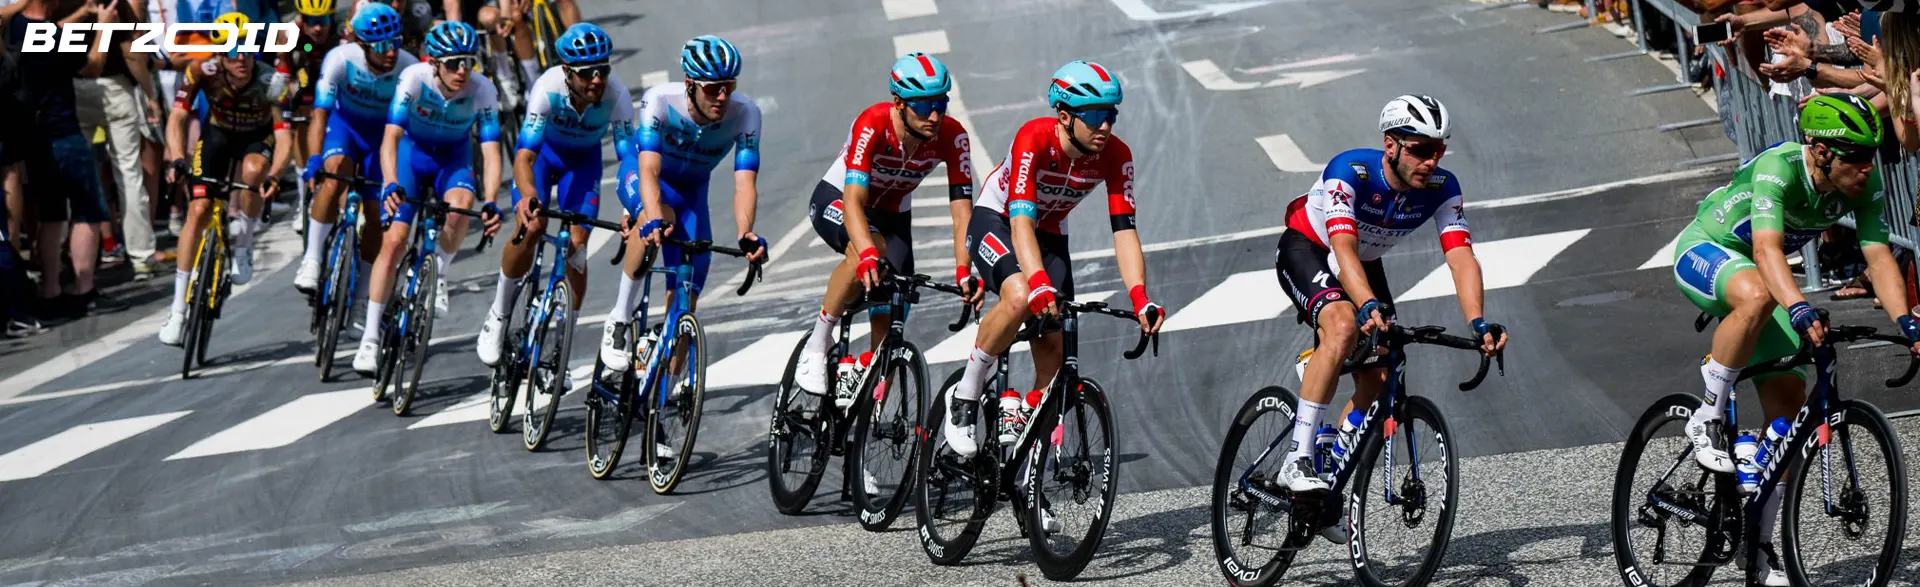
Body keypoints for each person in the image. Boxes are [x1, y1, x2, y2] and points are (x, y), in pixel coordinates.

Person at [1674, 94, 1920, 587]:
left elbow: (1877, 256)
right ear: (1821, 151)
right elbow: (1765, 250)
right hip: (1708, 250)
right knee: (1760, 294)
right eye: (1855, 155)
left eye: (1872, 154)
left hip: (1763, 280)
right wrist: (1800, 306)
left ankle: (1758, 550)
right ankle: (1707, 416)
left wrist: (1909, 323)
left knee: (1787, 421)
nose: (1867, 167)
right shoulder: (1778, 168)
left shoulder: (1861, 186)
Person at [1270, 95, 1509, 542]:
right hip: (1310, 249)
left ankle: (1330, 466)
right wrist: (1364, 307)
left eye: (1438, 149)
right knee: (1343, 326)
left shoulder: (1442, 186)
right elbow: (1342, 251)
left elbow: (1460, 256)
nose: (1431, 160)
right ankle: (1298, 457)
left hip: (1363, 259)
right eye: (1420, 149)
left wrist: (1479, 322)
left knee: (1382, 373)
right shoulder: (1351, 172)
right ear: (1391, 145)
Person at [940, 60, 1166, 466]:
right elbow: (1021, 222)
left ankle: (1025, 474)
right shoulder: (1034, 139)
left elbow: (1125, 231)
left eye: (1111, 115)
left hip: (1049, 233)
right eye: (1096, 116)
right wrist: (1039, 280)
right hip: (999, 220)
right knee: (1021, 295)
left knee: (1055, 350)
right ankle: (966, 394)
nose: (1106, 127)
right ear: (1064, 116)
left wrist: (1140, 297)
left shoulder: (1117, 156)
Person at [789, 52, 982, 407]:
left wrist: (963, 270)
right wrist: (864, 255)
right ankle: (818, 343)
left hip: (894, 215)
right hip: (841, 199)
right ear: (899, 103)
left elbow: (961, 215)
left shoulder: (953, 137)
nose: (935, 116)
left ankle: (865, 396)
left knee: (895, 308)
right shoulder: (873, 123)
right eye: (924, 106)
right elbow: (853, 202)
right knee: (868, 252)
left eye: (941, 103)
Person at [596, 35, 768, 376]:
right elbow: (648, 170)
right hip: (646, 178)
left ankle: (664, 401)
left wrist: (745, 232)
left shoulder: (746, 113)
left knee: (686, 302)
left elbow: (744, 182)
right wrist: (652, 216)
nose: (722, 96)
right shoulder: (660, 100)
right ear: (690, 84)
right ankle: (618, 318)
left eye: (729, 85)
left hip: (692, 193)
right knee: (657, 219)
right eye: (712, 87)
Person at [474, 23, 632, 377]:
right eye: (586, 72)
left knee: (577, 245)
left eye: (602, 69)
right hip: (543, 158)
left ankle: (561, 340)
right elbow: (524, 157)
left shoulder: (617, 95)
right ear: (566, 72)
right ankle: (498, 315)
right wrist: (528, 196)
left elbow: (629, 161)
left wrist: (630, 207)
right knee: (532, 228)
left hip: (583, 163)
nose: (596, 79)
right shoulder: (546, 89)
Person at [353, 21, 503, 373]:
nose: (463, 71)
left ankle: (440, 274)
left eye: (469, 61)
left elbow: (492, 151)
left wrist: (492, 199)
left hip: (452, 159)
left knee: (461, 208)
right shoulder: (414, 79)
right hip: (411, 156)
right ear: (434, 63)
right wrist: (390, 182)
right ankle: (370, 338)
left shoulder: (483, 89)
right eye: (453, 63)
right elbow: (390, 139)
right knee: (394, 242)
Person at [157, 15, 295, 345]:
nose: (242, 59)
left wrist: (275, 174)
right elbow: (177, 118)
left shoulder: (271, 81)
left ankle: (245, 242)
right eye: (233, 52)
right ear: (219, 53)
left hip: (255, 138)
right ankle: (177, 310)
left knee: (251, 174)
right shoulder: (201, 71)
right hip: (218, 134)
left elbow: (285, 138)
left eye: (247, 50)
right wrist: (176, 156)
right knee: (199, 209)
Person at [4, 0, 130, 318]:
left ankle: (51, 292)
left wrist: (79, 15)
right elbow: (93, 64)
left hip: (33, 138)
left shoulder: (14, 30)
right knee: (88, 210)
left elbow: (48, 32)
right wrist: (102, 25)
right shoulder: (53, 37)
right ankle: (85, 289)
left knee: (52, 215)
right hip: (65, 133)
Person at [292, 2, 419, 295]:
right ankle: (311, 258)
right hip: (345, 129)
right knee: (335, 173)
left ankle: (363, 289)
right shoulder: (340, 58)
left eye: (396, 42)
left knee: (377, 215)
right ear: (363, 44)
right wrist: (313, 157)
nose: (391, 52)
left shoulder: (409, 67)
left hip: (382, 140)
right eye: (383, 45)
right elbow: (320, 114)